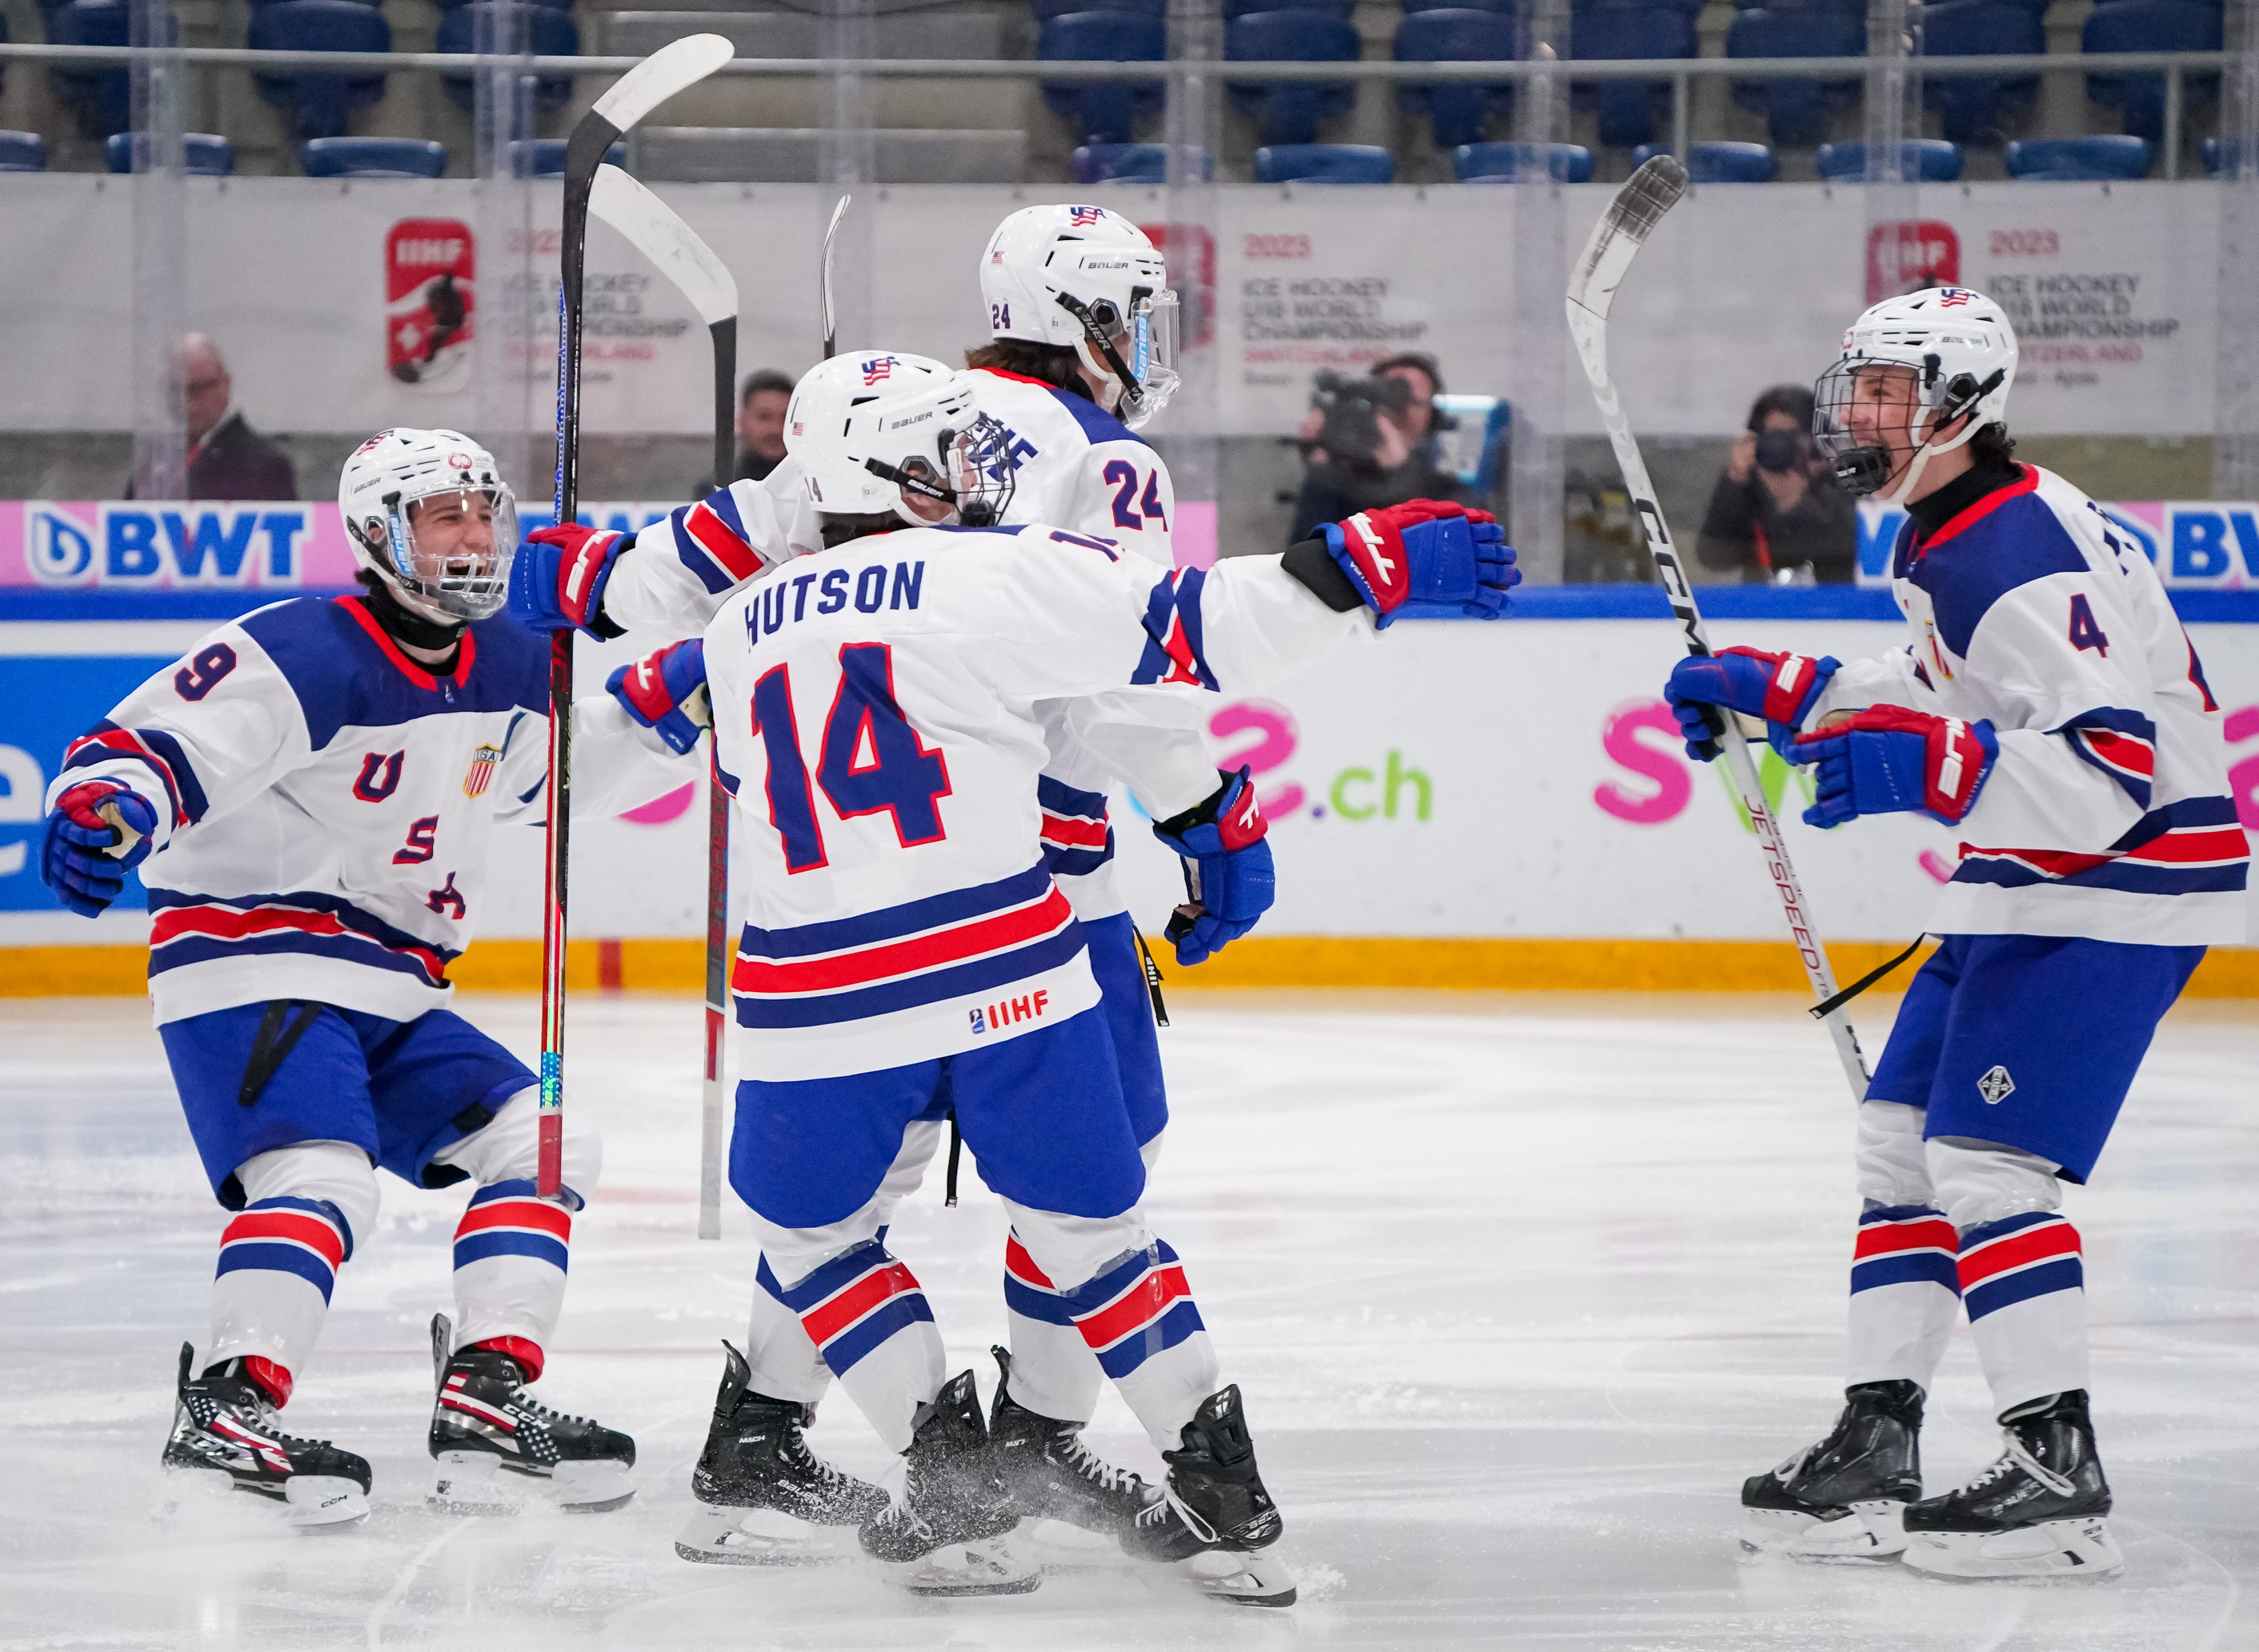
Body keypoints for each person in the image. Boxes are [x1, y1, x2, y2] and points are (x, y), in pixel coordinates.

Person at [636, 350, 1513, 1600]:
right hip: (1012, 963)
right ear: (894, 465)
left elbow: (748, 783)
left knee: (820, 1236)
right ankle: (1232, 1505)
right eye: (944, 448)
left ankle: (953, 1480)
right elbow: (1190, 631)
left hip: (817, 993)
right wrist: (1359, 567)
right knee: (1098, 1233)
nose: (973, 468)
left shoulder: (734, 626)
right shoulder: (992, 568)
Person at [513, 204, 1281, 1567]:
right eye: (1137, 307)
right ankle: (1032, 1442)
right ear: (1081, 315)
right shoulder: (1095, 461)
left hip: (848, 875)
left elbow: (667, 586)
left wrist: (588, 577)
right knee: (1099, 1181)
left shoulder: (890, 419)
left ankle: (763, 1430)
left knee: (838, 1192)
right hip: (1030, 878)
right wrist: (1210, 807)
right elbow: (1128, 665)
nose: (1154, 338)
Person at [1662, 287, 2249, 1580]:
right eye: (1855, 391)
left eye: (1883, 393)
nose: (1855, 416)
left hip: (2119, 879)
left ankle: (2055, 1465)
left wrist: (1919, 771)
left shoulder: (2013, 547)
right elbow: (1954, 697)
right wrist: (1784, 689)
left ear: (1959, 404)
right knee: (1896, 1144)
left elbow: (2105, 775)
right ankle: (1880, 1439)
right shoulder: (1952, 530)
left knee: (1985, 1161)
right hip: (2030, 872)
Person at [37, 428, 718, 1529]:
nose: (475, 536)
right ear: (377, 534)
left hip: (393, 988)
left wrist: (663, 703)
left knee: (542, 1140)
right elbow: (155, 747)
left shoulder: (506, 657)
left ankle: (487, 1393)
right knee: (320, 1172)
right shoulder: (306, 650)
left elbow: (550, 779)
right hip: (254, 958)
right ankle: (226, 1402)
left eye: (484, 511)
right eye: (443, 515)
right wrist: (107, 806)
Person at [1288, 352, 1469, 542]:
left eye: (1412, 402)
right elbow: (1305, 551)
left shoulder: (1448, 491)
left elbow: (1443, 548)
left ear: (1432, 417)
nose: (1399, 411)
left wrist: (1400, 470)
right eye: (1388, 398)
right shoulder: (1332, 481)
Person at [1694, 385, 1857, 584]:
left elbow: (1851, 550)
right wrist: (1736, 481)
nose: (1782, 446)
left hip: (1835, 604)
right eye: (1774, 437)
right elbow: (1713, 558)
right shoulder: (1746, 485)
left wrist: (1796, 505)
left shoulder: (1837, 478)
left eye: (1793, 437)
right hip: (1763, 607)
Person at [127, 334, 299, 502]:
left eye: (198, 389)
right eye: (176, 390)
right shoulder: (156, 460)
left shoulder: (264, 465)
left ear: (225, 385)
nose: (188, 403)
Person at [693, 370, 795, 493]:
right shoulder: (716, 492)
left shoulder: (816, 489)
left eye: (786, 417)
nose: (775, 429)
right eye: (764, 417)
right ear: (741, 422)